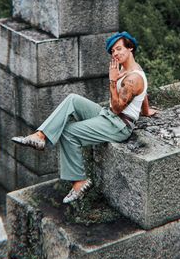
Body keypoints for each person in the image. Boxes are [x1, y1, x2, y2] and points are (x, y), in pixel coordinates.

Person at [12, 31, 156, 203]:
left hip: (119, 124)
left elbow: (118, 108)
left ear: (130, 48)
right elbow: (143, 94)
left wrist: (111, 81)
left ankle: (79, 181)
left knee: (68, 132)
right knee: (73, 99)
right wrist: (146, 111)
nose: (115, 54)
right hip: (108, 115)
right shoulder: (130, 69)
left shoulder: (132, 78)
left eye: (119, 49)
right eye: (112, 52)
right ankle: (40, 136)